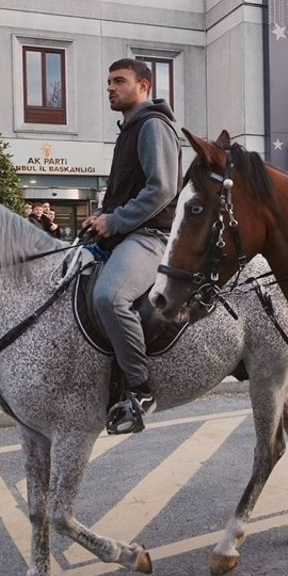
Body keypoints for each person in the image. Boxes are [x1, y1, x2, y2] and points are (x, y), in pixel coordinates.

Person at [81, 58, 181, 435]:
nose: (110, 87)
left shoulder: (152, 126)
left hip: (152, 237)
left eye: (119, 81)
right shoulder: (130, 129)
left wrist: (115, 220)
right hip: (124, 235)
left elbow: (162, 189)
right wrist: (101, 217)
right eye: (108, 82)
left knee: (109, 297)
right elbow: (127, 191)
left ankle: (141, 391)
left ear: (144, 86)